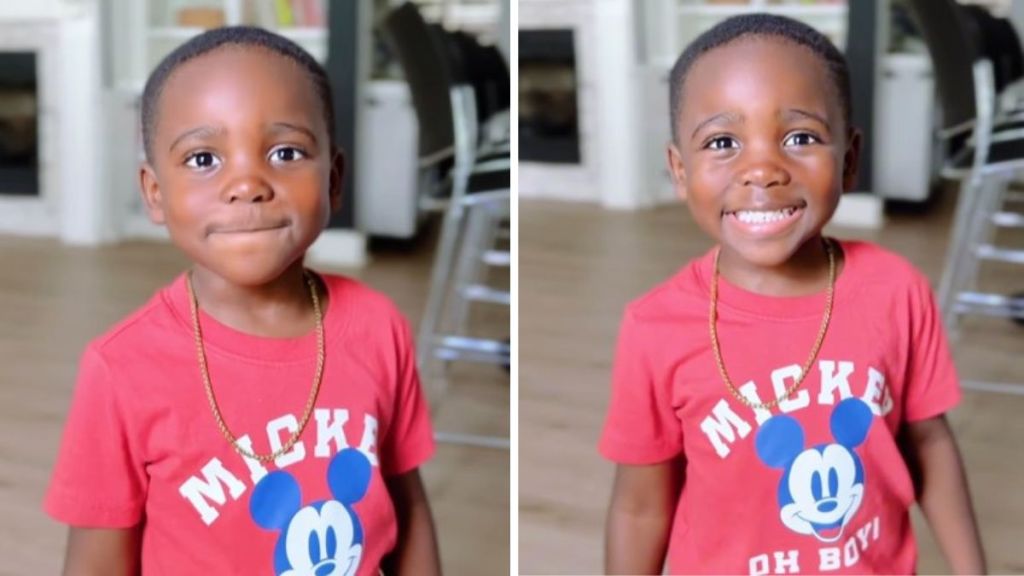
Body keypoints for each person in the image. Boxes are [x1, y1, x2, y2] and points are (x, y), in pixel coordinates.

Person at [45, 26, 441, 575]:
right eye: (204, 159)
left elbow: (410, 508)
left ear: (333, 180)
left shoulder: (379, 327)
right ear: (155, 193)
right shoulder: (120, 370)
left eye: (285, 151)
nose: (248, 184)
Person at [599, 14, 985, 575]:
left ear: (849, 160)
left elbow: (929, 443)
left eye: (800, 137)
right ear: (680, 172)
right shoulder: (653, 327)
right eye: (723, 142)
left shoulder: (898, 291)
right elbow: (638, 508)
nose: (762, 169)